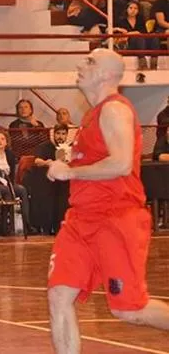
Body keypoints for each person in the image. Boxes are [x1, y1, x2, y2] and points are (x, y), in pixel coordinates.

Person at [46, 49, 169, 353]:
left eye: (89, 62)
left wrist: (69, 172)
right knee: (59, 295)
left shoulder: (115, 110)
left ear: (107, 74)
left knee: (128, 310)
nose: (80, 64)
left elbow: (122, 164)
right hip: (81, 219)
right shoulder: (91, 115)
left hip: (116, 218)